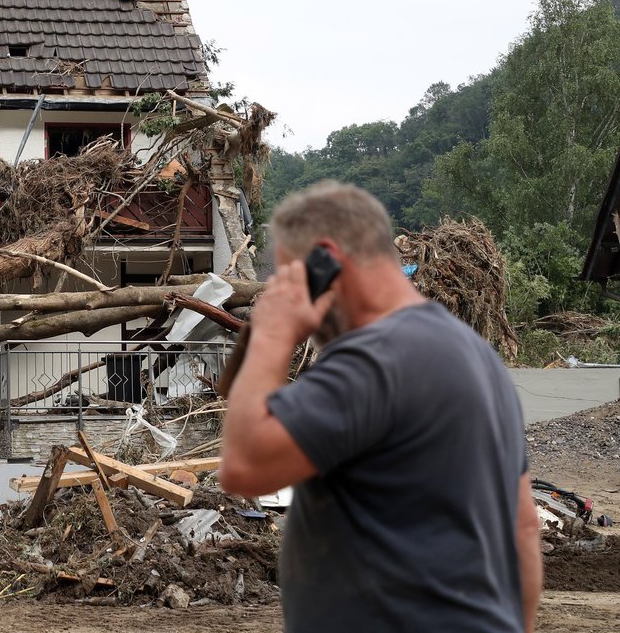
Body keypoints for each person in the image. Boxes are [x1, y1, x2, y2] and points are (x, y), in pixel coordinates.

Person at [218, 181, 541, 632]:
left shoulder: (377, 356)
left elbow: (244, 466)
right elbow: (524, 527)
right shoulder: (478, 357)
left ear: (326, 260)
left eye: (292, 278)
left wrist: (272, 332)